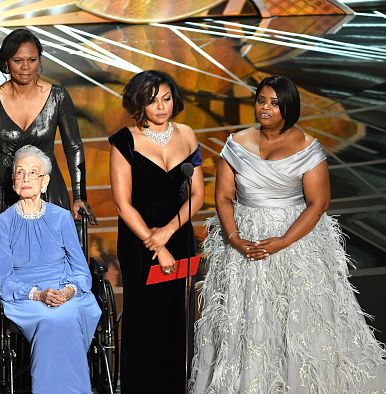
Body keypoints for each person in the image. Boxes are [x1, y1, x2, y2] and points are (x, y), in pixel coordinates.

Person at [189, 75, 386, 392]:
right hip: (243, 244)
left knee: (294, 319)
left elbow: (318, 203)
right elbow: (223, 197)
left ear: (289, 107)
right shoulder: (236, 144)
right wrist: (236, 238)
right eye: (261, 100)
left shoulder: (307, 147)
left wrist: (282, 241)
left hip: (295, 244)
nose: (265, 108)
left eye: (274, 103)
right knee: (246, 318)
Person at [108, 70, 205, 393]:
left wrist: (169, 234)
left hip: (178, 236)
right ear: (139, 104)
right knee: (144, 319)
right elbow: (123, 205)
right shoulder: (125, 141)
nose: (161, 107)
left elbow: (198, 196)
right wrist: (156, 244)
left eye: (166, 98)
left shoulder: (188, 135)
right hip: (139, 243)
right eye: (152, 101)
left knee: (176, 317)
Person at [0, 28, 95, 269]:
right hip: (2, 192)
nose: (25, 67)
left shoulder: (58, 96)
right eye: (18, 61)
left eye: (32, 60)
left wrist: (79, 196)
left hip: (48, 191)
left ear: (40, 60)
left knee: (54, 261)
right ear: (7, 62)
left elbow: (73, 147)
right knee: (3, 266)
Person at [0, 145, 100, 394]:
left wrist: (69, 291)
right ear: (13, 181)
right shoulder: (4, 222)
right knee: (52, 317)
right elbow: (6, 278)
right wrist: (39, 295)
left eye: (33, 173)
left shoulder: (61, 217)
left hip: (65, 288)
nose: (26, 178)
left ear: (45, 181)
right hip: (25, 296)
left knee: (67, 314)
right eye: (20, 173)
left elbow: (80, 269)